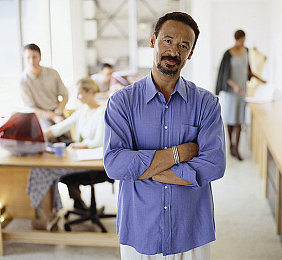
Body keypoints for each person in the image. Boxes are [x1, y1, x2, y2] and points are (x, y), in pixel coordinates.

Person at [103, 12, 226, 259]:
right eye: (167, 41)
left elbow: (214, 166)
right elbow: (115, 165)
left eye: (183, 45)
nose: (174, 51)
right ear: (153, 41)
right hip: (140, 230)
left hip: (190, 231)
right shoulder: (121, 103)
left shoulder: (206, 104)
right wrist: (178, 153)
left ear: (190, 53)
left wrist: (143, 169)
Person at [26, 77, 105, 230]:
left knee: (44, 170)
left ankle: (46, 216)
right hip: (79, 157)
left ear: (90, 92)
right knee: (40, 168)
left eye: (80, 94)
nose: (77, 97)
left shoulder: (102, 112)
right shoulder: (82, 112)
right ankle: (48, 215)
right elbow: (60, 127)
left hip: (92, 161)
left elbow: (98, 142)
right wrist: (39, 135)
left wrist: (80, 145)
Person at [215, 30, 266, 161]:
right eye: (241, 40)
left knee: (239, 120)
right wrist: (234, 86)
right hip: (231, 92)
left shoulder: (246, 51)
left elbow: (248, 70)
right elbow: (224, 75)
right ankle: (230, 145)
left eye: (244, 40)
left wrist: (260, 79)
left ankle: (236, 148)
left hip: (242, 92)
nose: (243, 42)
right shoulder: (228, 54)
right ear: (236, 39)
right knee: (230, 120)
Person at [20, 43, 69, 131]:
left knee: (67, 136)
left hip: (57, 111)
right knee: (48, 137)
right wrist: (52, 116)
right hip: (40, 115)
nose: (32, 61)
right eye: (28, 58)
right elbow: (31, 108)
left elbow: (65, 95)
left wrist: (57, 113)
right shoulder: (23, 80)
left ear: (40, 57)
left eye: (34, 57)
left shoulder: (53, 73)